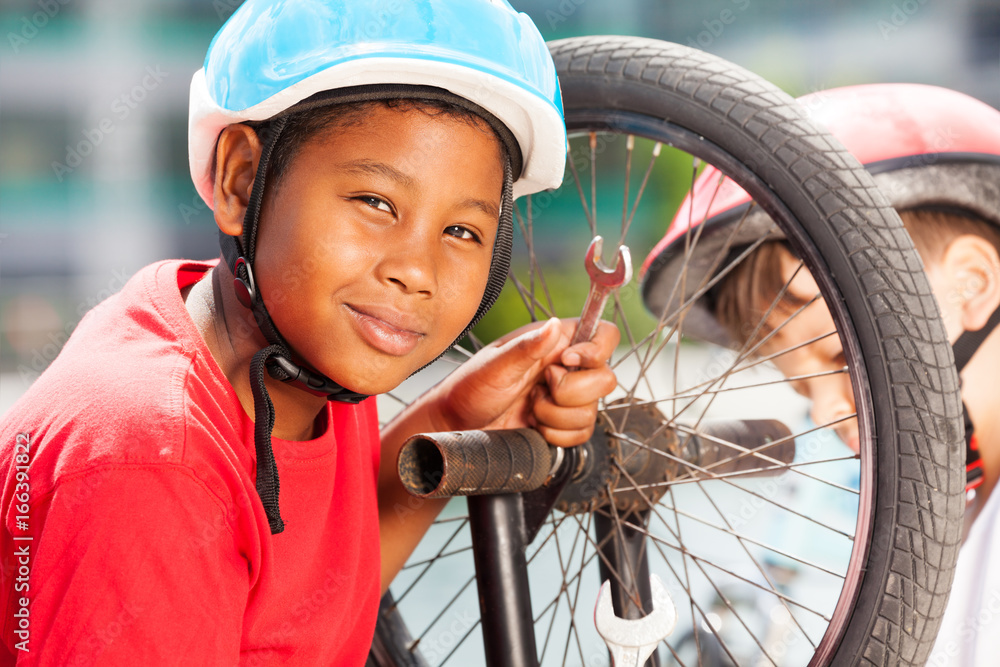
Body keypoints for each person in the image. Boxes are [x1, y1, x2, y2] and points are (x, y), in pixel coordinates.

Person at [0, 1, 620, 663]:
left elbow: (301, 611)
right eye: (376, 203)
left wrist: (459, 411)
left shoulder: (297, 348)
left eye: (462, 231)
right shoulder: (152, 464)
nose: (416, 271)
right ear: (241, 181)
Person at [641, 83, 1000, 665]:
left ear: (972, 284)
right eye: (803, 388)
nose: (825, 412)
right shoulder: (947, 532)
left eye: (840, 360)